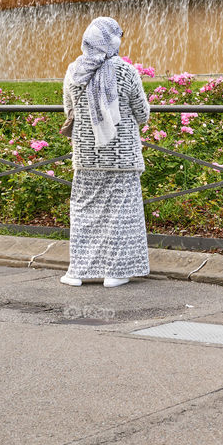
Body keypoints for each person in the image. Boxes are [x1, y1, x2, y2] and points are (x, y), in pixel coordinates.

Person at [60, 16, 151, 288]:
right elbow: (142, 113)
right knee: (121, 215)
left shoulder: (74, 71)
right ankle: (116, 273)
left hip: (87, 157)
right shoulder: (125, 71)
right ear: (112, 41)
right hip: (122, 157)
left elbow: (68, 110)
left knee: (84, 214)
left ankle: (77, 272)